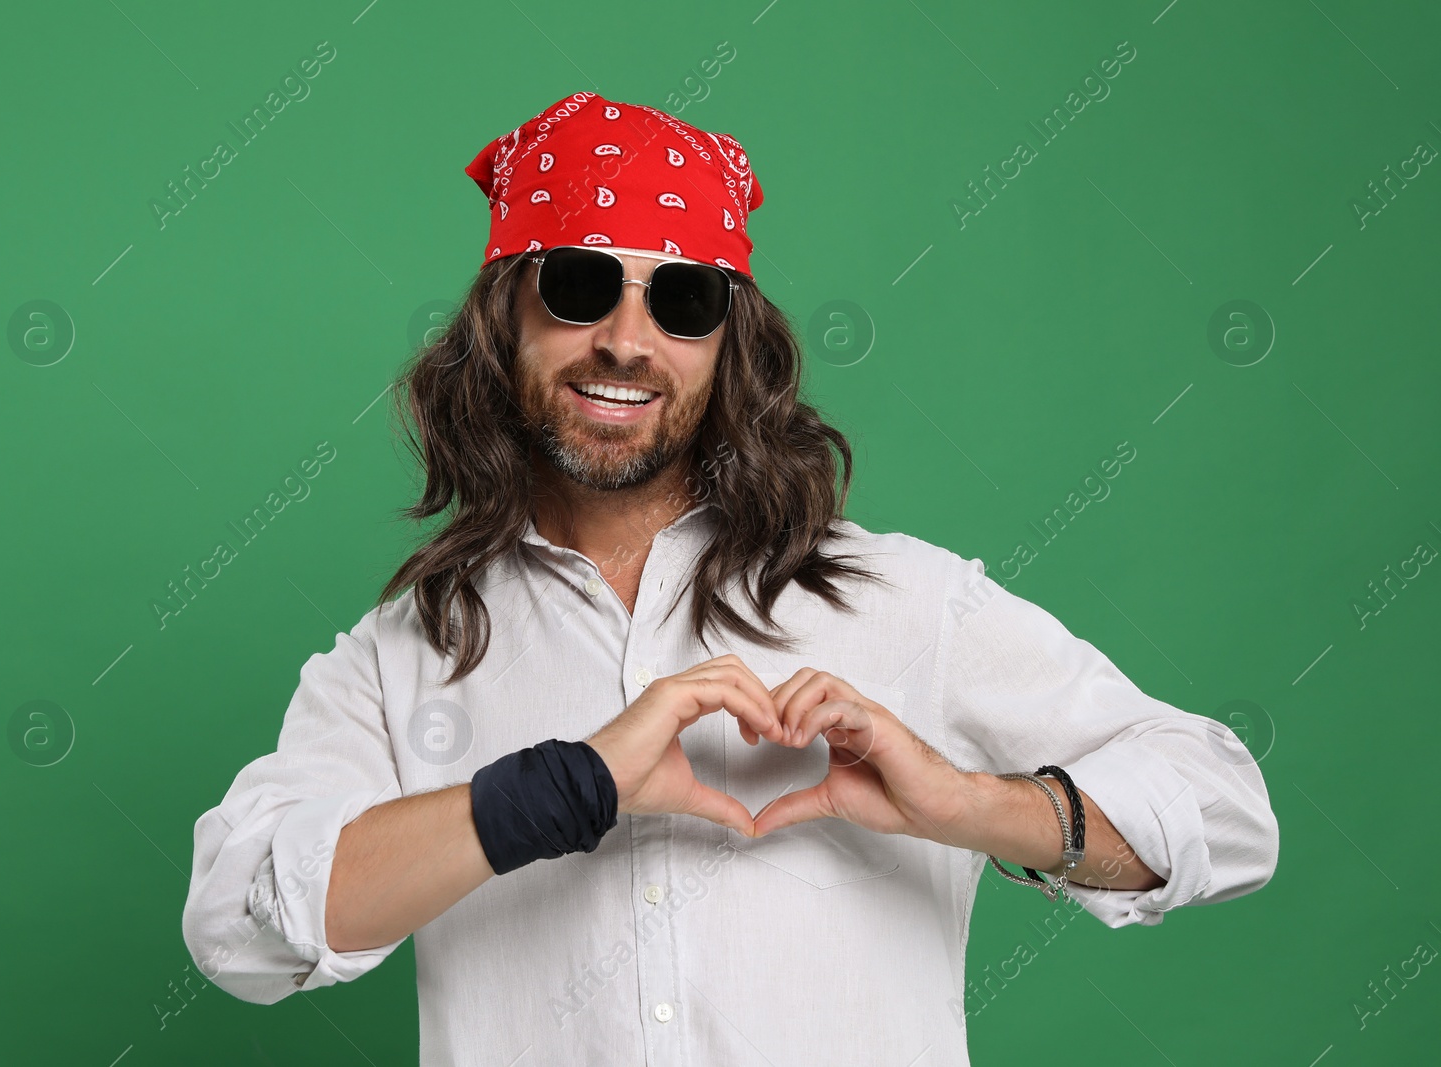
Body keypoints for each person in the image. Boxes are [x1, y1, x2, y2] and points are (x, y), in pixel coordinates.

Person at [182, 90, 1279, 1066]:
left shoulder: (901, 600)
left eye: (683, 301)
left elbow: (1227, 811)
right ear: (501, 320)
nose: (627, 340)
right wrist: (561, 790)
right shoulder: (404, 656)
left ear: (729, 343)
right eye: (578, 285)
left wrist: (970, 805)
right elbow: (238, 926)